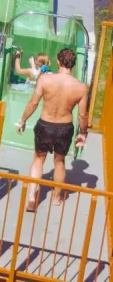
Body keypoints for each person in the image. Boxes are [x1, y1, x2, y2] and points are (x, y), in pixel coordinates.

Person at [15, 48, 88, 211]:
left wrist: (22, 120)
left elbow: (33, 103)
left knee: (38, 159)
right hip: (65, 127)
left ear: (58, 62)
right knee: (59, 161)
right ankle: (56, 198)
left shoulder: (45, 79)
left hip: (45, 125)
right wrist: (83, 134)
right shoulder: (81, 87)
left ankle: (32, 197)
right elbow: (83, 115)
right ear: (73, 65)